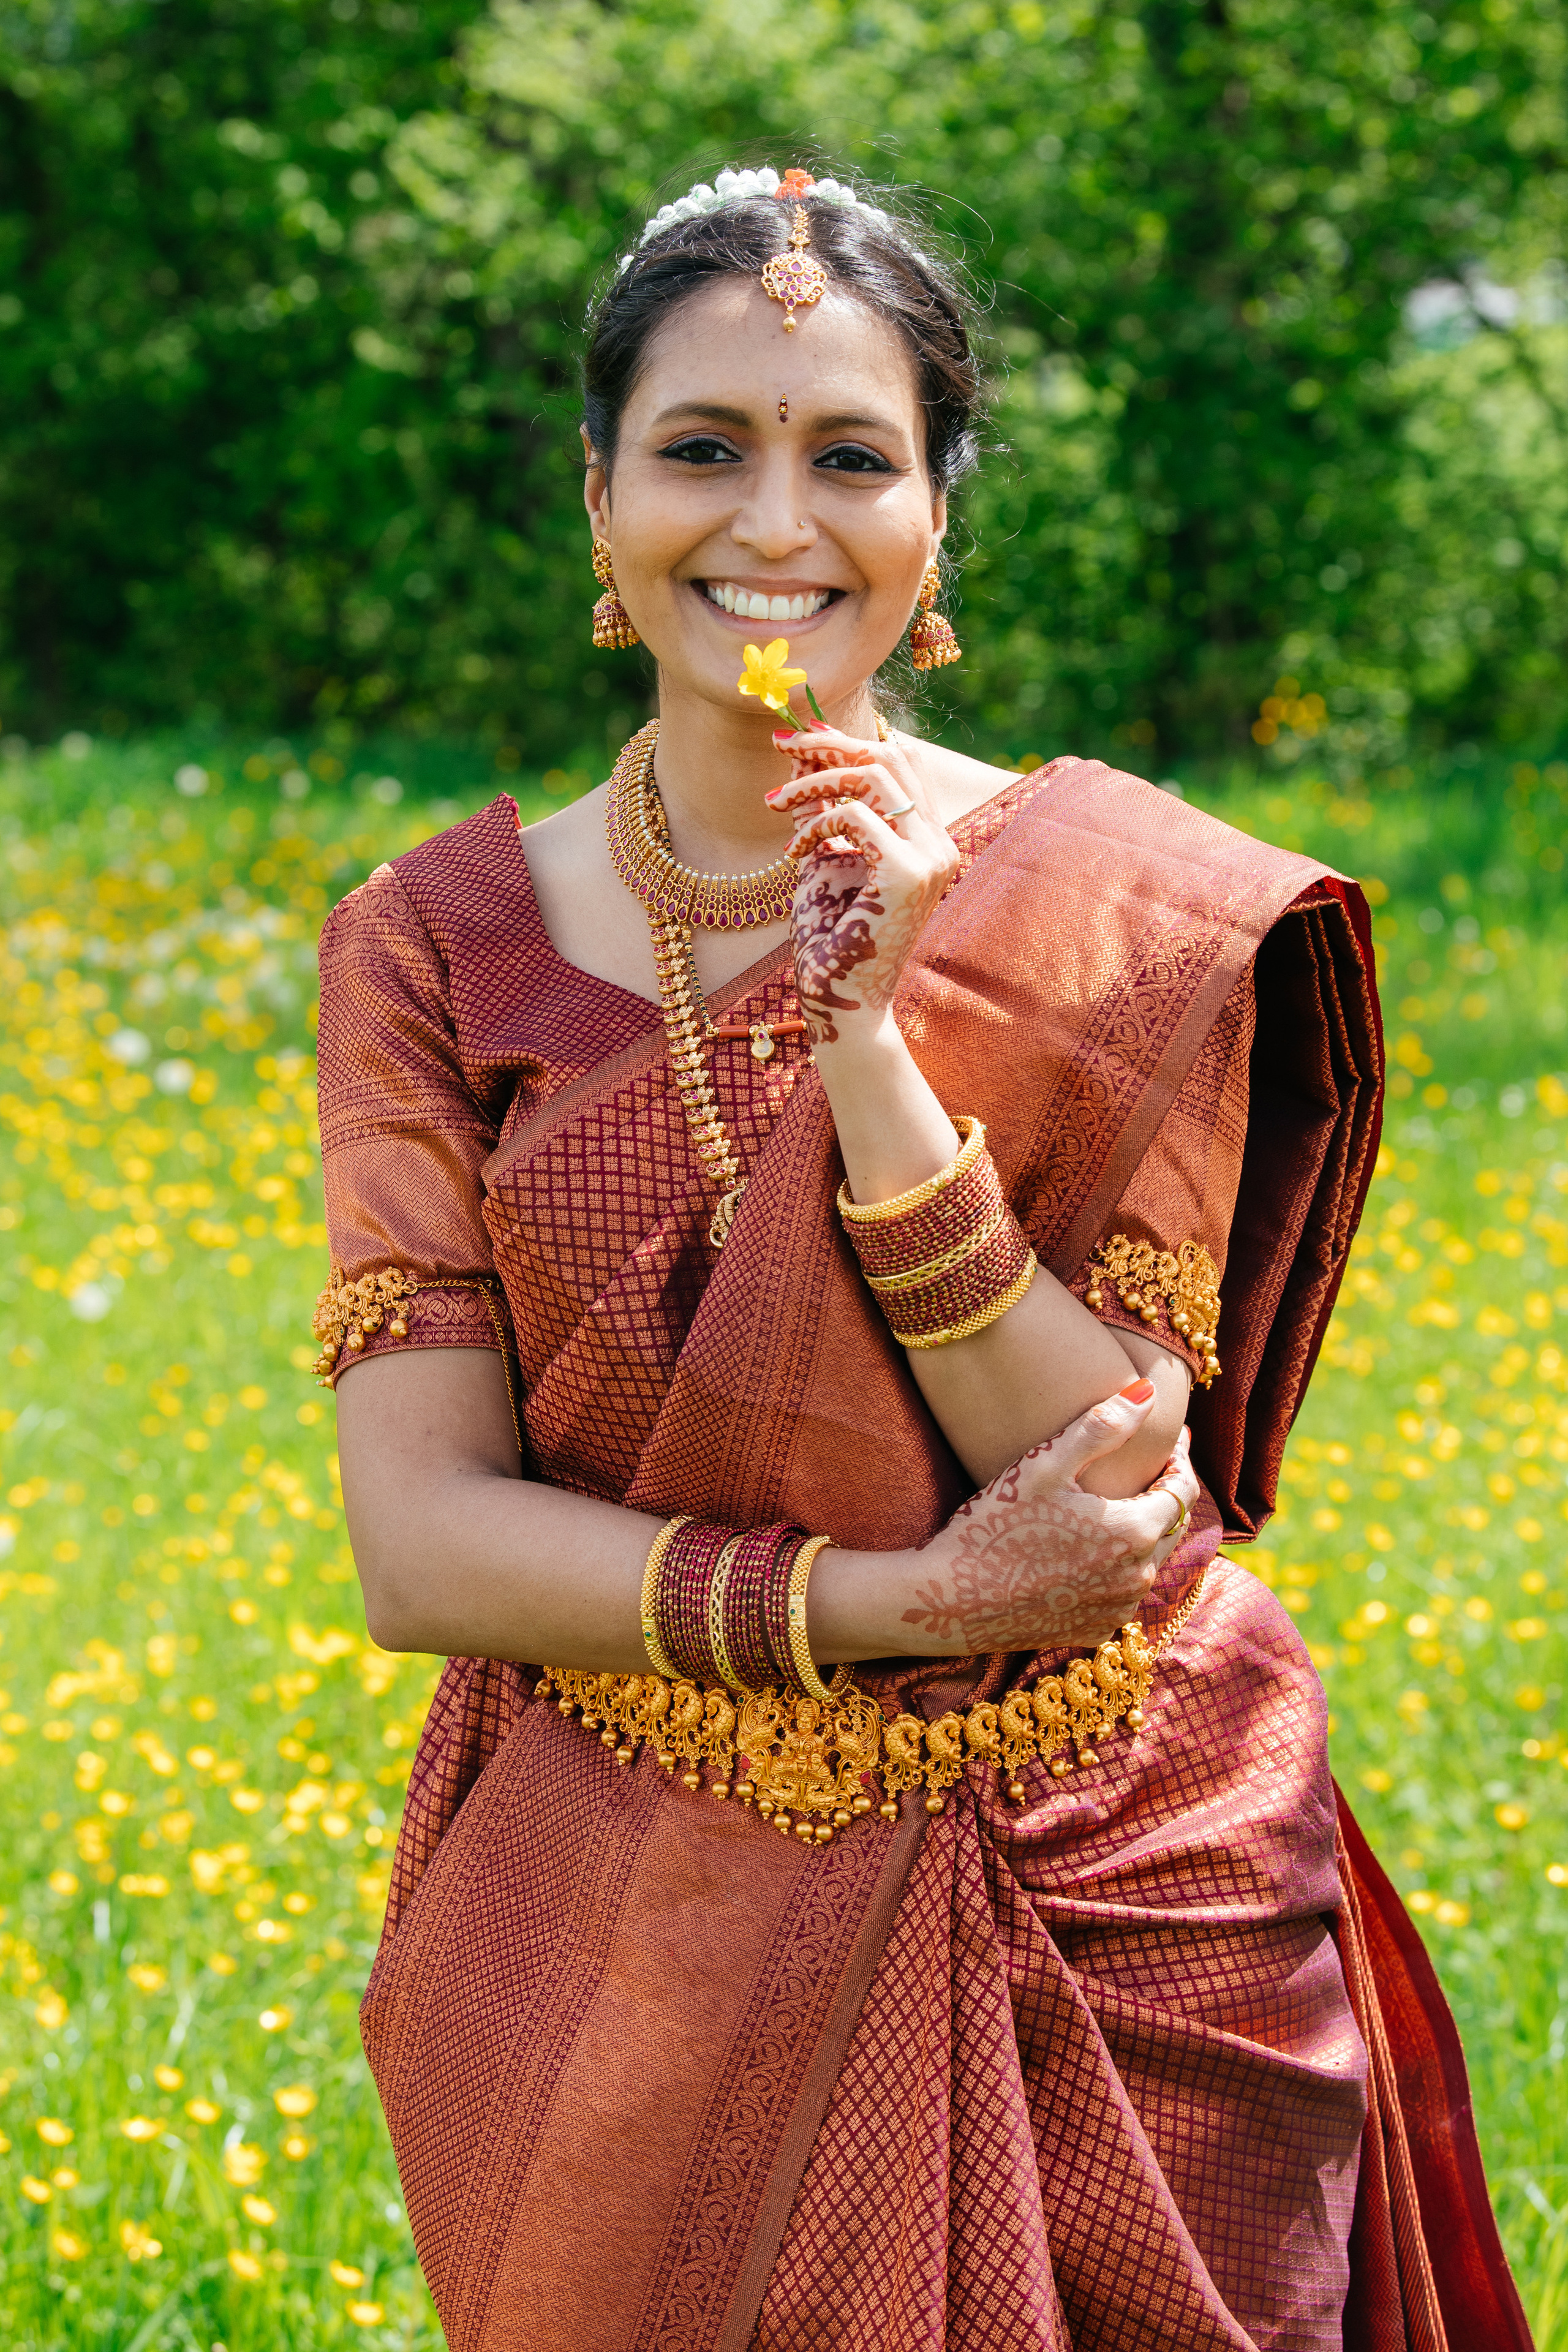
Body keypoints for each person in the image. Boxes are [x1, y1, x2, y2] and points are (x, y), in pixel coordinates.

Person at [315, 164, 1529, 2351]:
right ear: (598, 498)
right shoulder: (433, 948)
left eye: (850, 457)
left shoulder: (1122, 911)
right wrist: (890, 1610)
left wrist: (875, 1057)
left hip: (1114, 1862)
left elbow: (1116, 1493)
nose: (773, 524)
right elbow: (418, 1543)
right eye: (702, 449)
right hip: (624, 1897)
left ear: (935, 518)